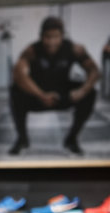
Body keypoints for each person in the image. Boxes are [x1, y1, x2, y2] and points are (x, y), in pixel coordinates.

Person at [8, 16, 99, 155]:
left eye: (55, 37)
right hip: (38, 94)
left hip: (62, 94)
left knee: (90, 93)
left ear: (62, 36)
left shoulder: (75, 49)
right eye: (47, 37)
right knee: (15, 90)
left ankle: (71, 139)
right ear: (41, 36)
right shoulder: (32, 50)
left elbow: (94, 71)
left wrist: (81, 91)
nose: (51, 42)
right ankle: (22, 138)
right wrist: (41, 95)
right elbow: (18, 74)